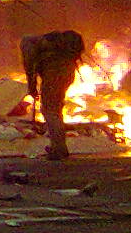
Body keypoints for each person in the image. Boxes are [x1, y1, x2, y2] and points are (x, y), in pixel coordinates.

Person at [22, 29, 85, 161]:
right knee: (56, 109)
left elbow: (29, 68)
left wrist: (32, 87)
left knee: (49, 111)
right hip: (68, 73)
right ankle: (60, 146)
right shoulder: (52, 43)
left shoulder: (27, 44)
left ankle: (58, 149)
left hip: (54, 75)